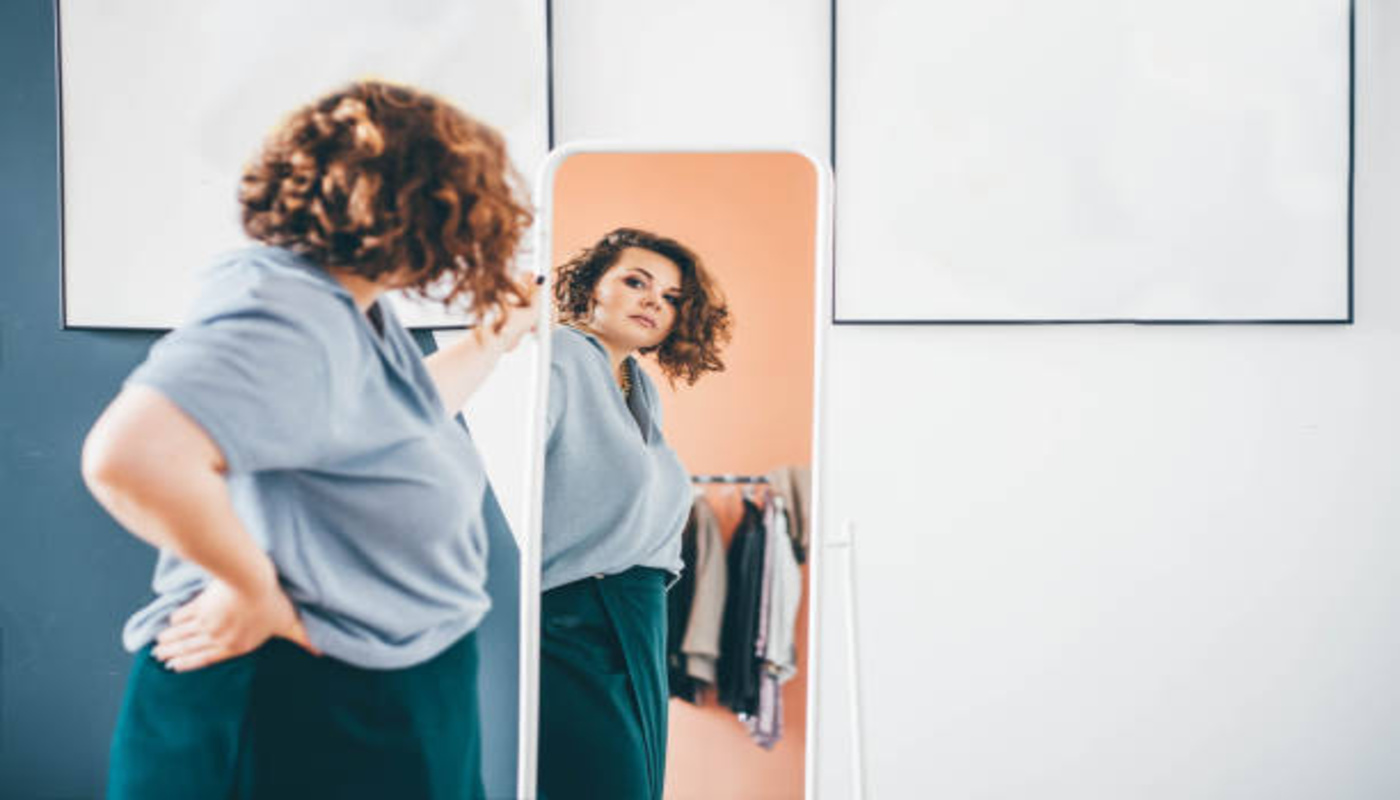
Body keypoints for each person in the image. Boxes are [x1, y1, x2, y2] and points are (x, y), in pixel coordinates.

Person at [81, 80, 539, 799]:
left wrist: (492, 342)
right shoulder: (287, 309)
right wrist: (248, 585)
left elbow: (393, 424)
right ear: (426, 207)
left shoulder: (346, 304)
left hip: (384, 692)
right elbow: (131, 454)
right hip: (297, 701)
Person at [537, 227, 731, 799]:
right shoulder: (560, 357)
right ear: (591, 286)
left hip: (636, 615)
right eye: (635, 281)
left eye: (671, 297)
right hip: (577, 614)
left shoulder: (637, 384)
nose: (654, 301)